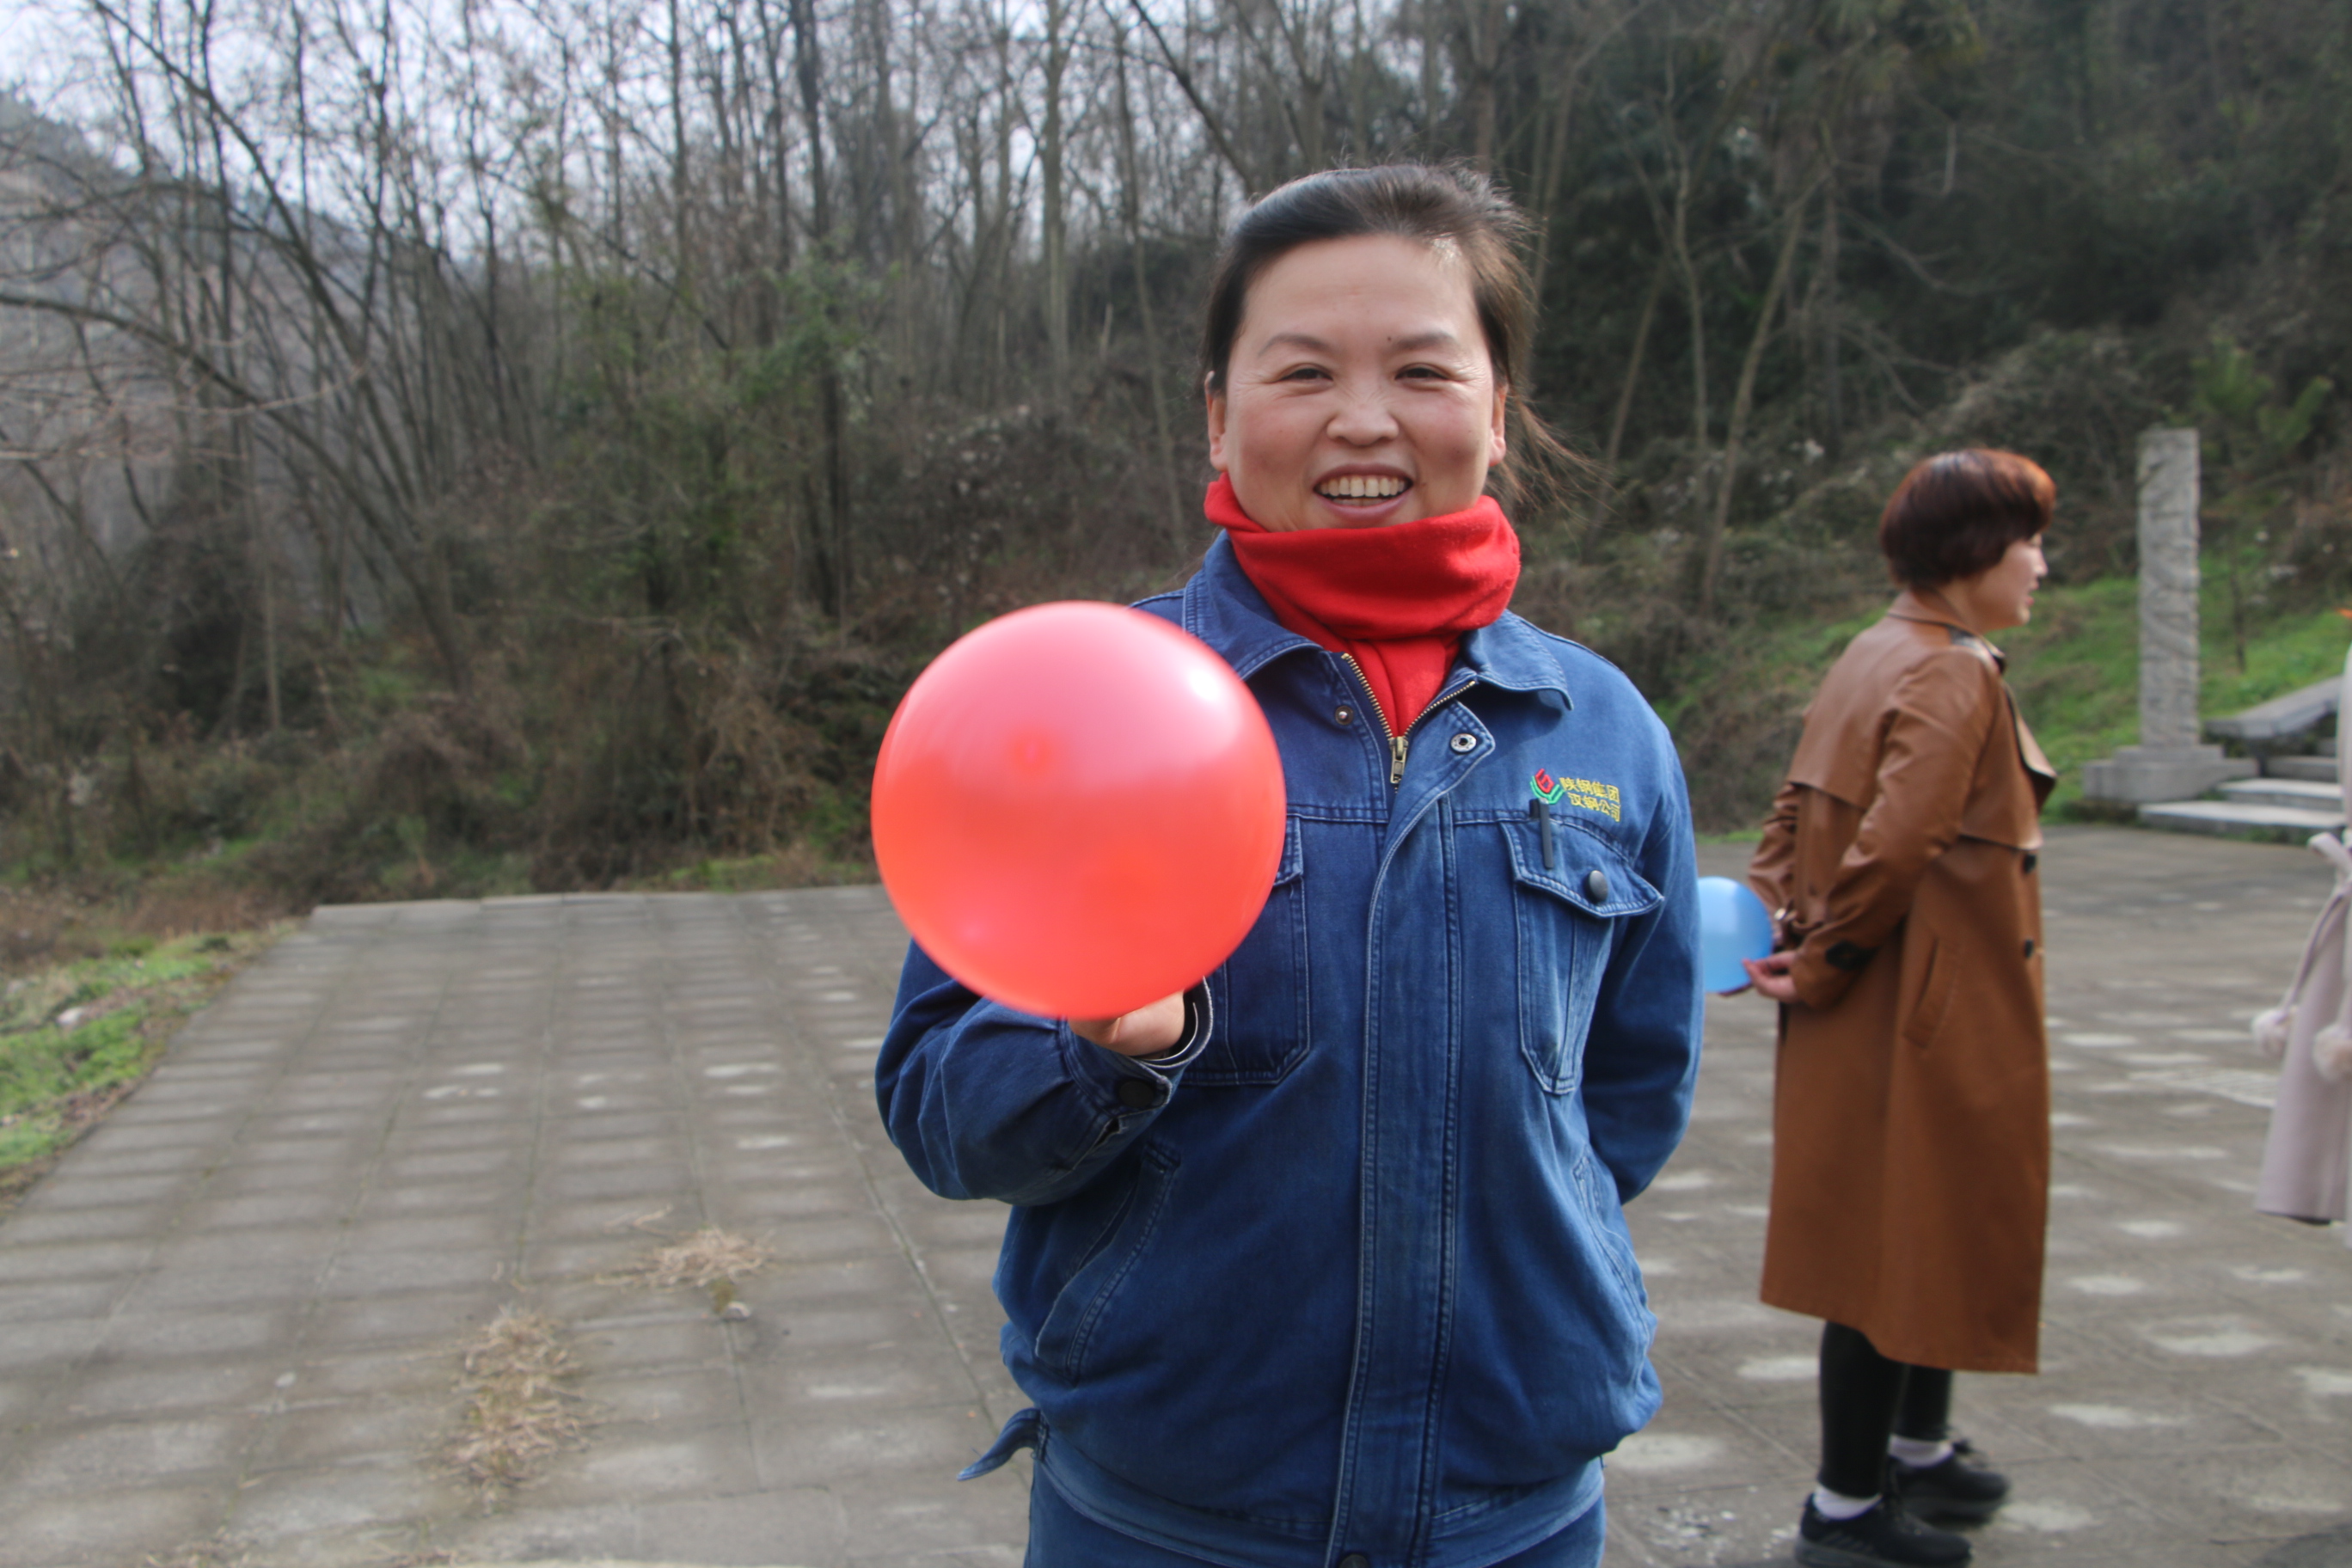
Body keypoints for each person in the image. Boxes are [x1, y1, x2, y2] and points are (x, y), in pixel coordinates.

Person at [876, 164, 1703, 1567]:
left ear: (1499, 411)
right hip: (1171, 1514)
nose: (1364, 419)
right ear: (1218, 408)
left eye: (1425, 369)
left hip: (1514, 1511)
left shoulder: (1603, 727)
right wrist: (1098, 1058)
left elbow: (1626, 1096)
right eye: (1303, 369)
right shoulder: (1080, 712)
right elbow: (940, 1105)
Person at [1740, 450, 2058, 1568]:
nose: (2042, 566)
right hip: (1930, 1003)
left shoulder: (1878, 649)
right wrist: (1820, 957)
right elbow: (1902, 839)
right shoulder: (1953, 669)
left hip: (1879, 998)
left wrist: (1768, 916)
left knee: (1924, 1229)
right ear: (1973, 552)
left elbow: (1794, 807)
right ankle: (1844, 1509)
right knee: (1900, 1243)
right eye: (2029, 542)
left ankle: (1914, 1454)